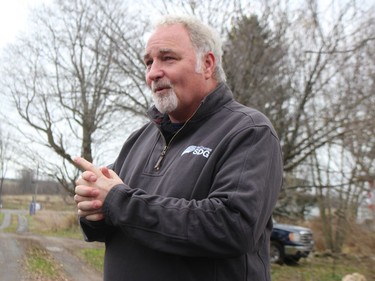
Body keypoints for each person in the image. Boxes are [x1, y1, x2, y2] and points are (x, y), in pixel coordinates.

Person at [74, 15, 283, 281]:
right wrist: (93, 209)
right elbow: (112, 219)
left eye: (167, 58)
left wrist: (117, 200)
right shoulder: (139, 139)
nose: (153, 72)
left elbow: (232, 226)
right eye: (149, 62)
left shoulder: (249, 131)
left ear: (207, 64)